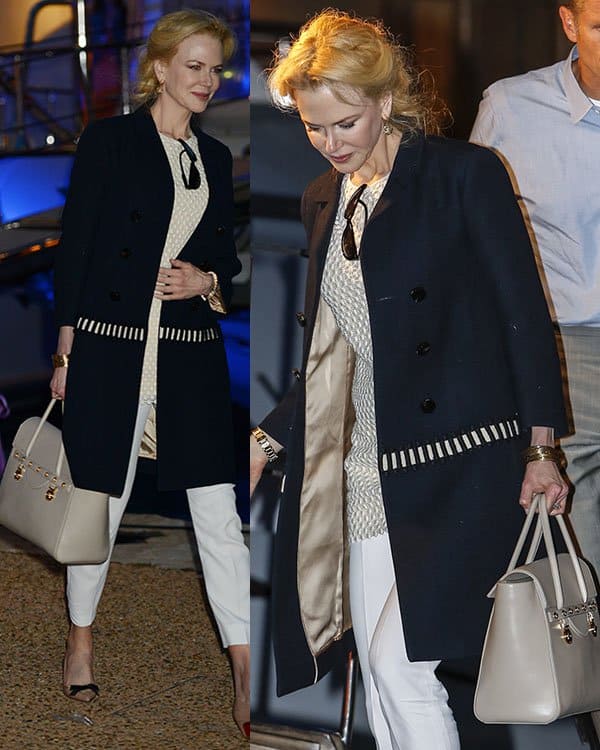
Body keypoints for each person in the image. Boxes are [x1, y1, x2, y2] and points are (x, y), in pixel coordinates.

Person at [250, 10, 569, 749]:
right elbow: (338, 352)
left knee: (401, 666)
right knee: (382, 674)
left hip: (460, 460)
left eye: (345, 123)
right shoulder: (322, 201)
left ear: (386, 101)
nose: (329, 143)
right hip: (366, 470)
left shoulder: (462, 175)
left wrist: (542, 447)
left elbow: (522, 314)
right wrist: (273, 432)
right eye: (312, 127)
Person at [50, 10, 249, 737]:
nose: (207, 80)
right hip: (111, 346)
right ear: (160, 67)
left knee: (219, 513)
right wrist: (66, 354)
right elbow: (75, 249)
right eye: (194, 66)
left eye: (215, 68)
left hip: (191, 351)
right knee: (99, 503)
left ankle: (242, 664)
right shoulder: (112, 141)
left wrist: (207, 282)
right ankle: (79, 637)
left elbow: (224, 256)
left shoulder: (216, 157)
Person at [471, 0, 600, 591]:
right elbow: (473, 239)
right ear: (569, 23)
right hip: (569, 350)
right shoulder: (513, 108)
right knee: (584, 555)